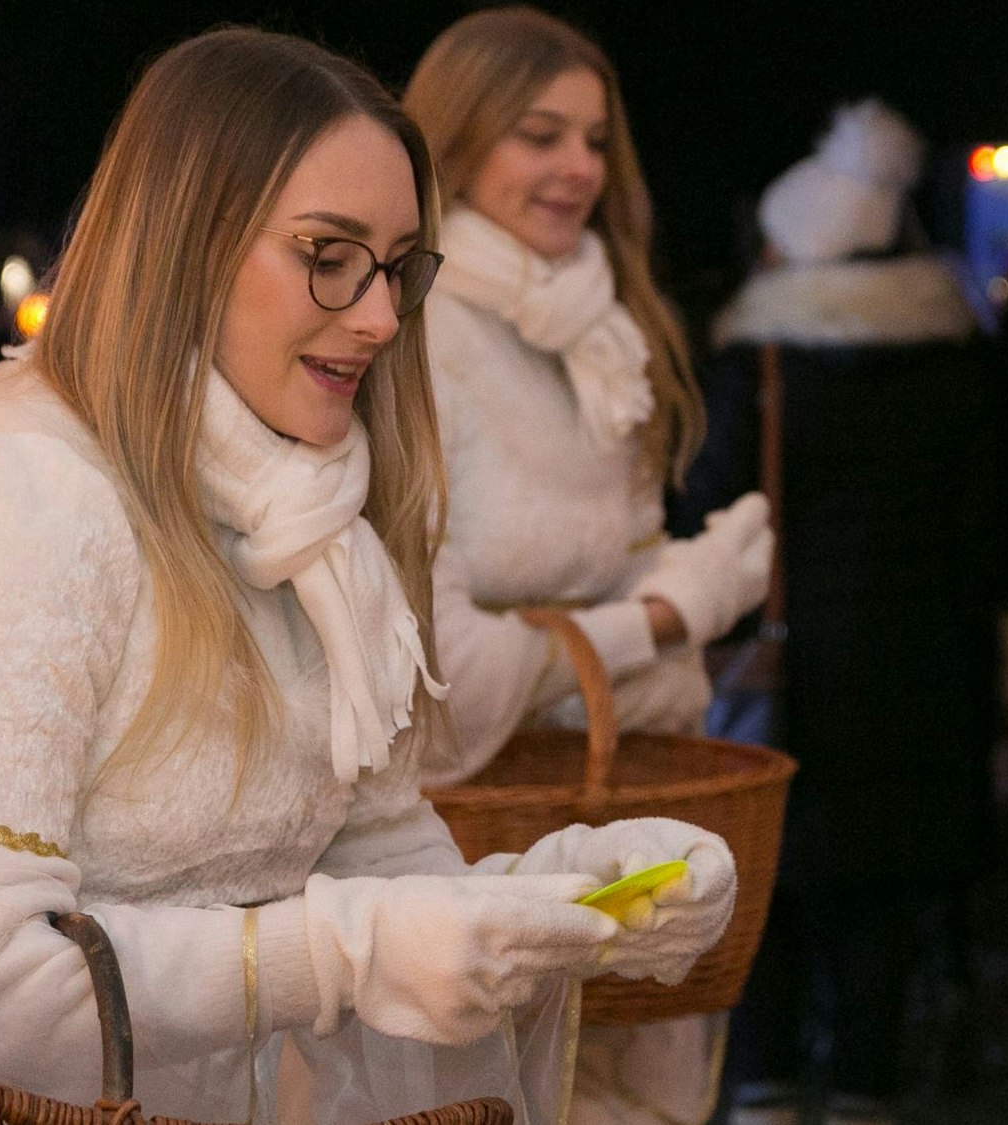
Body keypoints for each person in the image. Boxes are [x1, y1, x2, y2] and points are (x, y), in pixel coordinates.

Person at [0, 28, 736, 1123]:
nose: (381, 316)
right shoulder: (21, 505)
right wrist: (340, 955)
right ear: (184, 245)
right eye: (327, 257)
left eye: (395, 267)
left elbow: (381, 868)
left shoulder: (320, 532)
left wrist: (561, 897)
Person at [403, 9, 770, 1124]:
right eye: (539, 134)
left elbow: (622, 567)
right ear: (457, 144)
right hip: (459, 863)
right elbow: (441, 686)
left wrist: (650, 610)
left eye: (594, 140)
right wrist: (667, 616)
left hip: (607, 825)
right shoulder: (413, 334)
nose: (578, 169)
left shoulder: (597, 329)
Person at [680, 99, 998, 1124]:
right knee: (882, 895)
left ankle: (766, 1082)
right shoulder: (953, 366)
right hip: (919, 666)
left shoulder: (757, 369)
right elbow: (980, 532)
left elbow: (706, 515)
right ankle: (864, 1083)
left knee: (765, 881)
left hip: (786, 670)